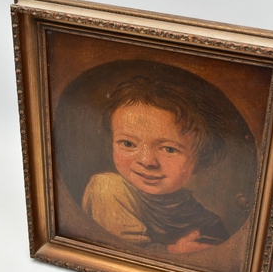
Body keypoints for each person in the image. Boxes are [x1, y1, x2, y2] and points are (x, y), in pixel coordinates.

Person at [82, 75, 233, 254]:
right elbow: (123, 256)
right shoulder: (106, 189)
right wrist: (169, 251)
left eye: (169, 149)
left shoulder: (209, 224)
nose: (147, 161)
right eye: (128, 144)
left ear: (201, 156)